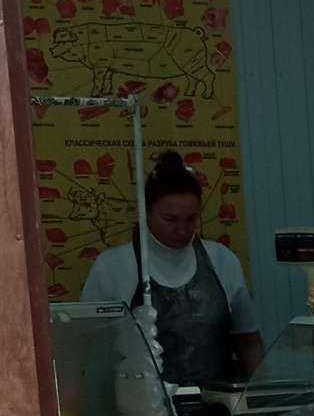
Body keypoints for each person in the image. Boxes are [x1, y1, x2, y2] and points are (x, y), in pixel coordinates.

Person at [79, 151, 262, 389]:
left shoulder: (223, 260)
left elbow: (248, 341)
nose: (182, 229)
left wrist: (260, 395)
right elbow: (85, 348)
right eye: (170, 219)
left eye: (190, 219)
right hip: (140, 413)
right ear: (146, 212)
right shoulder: (112, 266)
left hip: (217, 407)